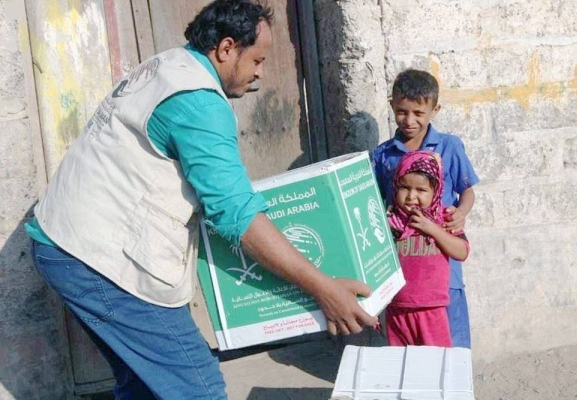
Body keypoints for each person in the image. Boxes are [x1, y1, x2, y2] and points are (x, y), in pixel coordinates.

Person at [25, 1, 377, 398]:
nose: (260, 72)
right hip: (98, 259)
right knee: (199, 388)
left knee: (144, 385)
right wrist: (323, 288)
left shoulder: (169, 65)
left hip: (63, 242)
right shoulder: (198, 101)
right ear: (227, 49)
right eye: (257, 59)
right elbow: (235, 213)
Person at [370, 69, 479, 348]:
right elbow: (378, 202)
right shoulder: (383, 155)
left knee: (450, 334)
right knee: (406, 340)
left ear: (434, 110)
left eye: (418, 113)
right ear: (392, 104)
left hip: (441, 252)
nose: (409, 120)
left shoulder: (449, 146)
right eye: (402, 111)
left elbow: (467, 191)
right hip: (404, 258)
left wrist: (461, 213)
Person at [385, 150, 469, 346]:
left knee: (436, 365)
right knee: (402, 366)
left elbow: (462, 251)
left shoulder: (445, 218)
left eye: (421, 190)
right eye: (404, 188)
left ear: (436, 190)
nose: (411, 196)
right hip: (397, 309)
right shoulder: (389, 221)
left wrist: (432, 229)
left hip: (432, 310)